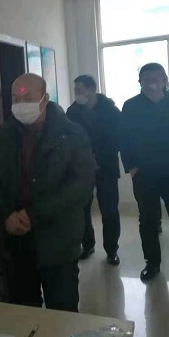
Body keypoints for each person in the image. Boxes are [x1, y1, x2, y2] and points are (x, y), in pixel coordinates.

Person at [0, 73, 96, 311]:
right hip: (16, 243)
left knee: (62, 312)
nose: (20, 104)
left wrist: (34, 214)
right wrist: (6, 215)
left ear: (45, 99)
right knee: (23, 312)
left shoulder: (72, 135)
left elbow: (81, 186)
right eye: (15, 99)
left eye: (28, 98)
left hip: (59, 242)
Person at [120, 63, 169, 282]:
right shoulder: (131, 106)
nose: (152, 83)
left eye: (157, 78)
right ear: (140, 82)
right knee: (148, 220)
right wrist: (132, 168)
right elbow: (124, 139)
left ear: (165, 80)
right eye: (147, 79)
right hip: (145, 175)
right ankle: (152, 263)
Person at [67, 75, 121, 265]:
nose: (77, 94)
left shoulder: (110, 110)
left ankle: (112, 250)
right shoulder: (72, 112)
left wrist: (98, 157)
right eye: (75, 90)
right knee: (82, 209)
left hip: (106, 167)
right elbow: (69, 140)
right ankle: (87, 244)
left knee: (109, 211)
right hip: (81, 169)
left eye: (79, 90)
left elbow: (117, 139)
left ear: (91, 90)